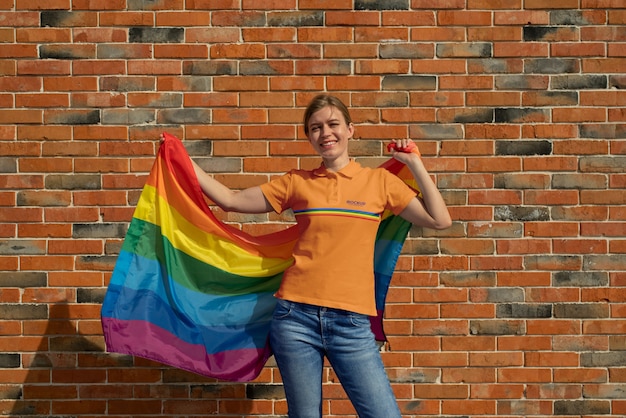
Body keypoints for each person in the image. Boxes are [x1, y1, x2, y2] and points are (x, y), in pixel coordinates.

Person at [165, 94, 451, 418]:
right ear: (309, 137)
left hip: (352, 323)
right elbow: (230, 199)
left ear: (350, 130)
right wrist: (181, 157)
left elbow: (440, 220)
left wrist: (415, 163)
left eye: (333, 124)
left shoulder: (379, 182)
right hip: (295, 319)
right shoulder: (297, 182)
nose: (325, 133)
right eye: (316, 128)